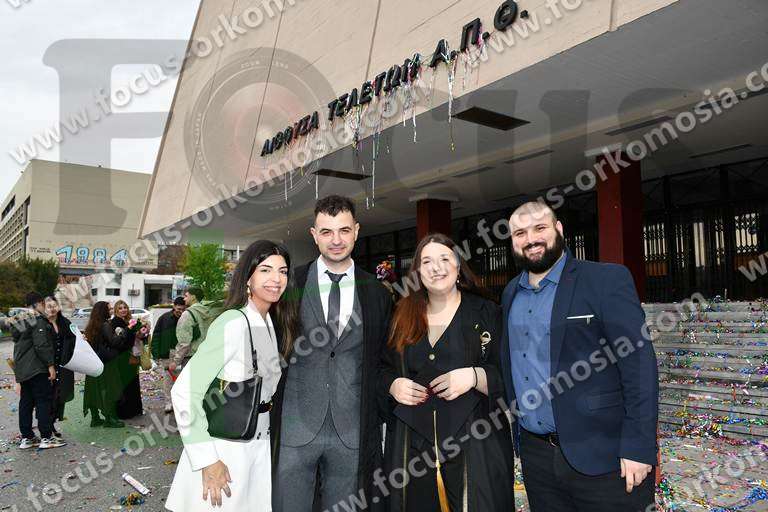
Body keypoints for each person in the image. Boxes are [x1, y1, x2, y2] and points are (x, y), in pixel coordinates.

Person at [499, 201, 658, 512]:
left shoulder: (605, 280)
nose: (531, 239)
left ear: (559, 229)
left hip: (605, 455)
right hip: (536, 457)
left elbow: (639, 366)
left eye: (539, 228)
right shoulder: (510, 293)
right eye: (520, 233)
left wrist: (638, 446)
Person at [272, 195, 392, 512]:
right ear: (314, 235)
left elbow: (383, 358)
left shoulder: (376, 293)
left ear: (356, 231)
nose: (336, 240)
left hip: (352, 429)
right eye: (326, 231)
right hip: (295, 425)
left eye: (344, 230)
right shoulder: (290, 285)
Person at [380, 234, 514, 511]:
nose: (436, 267)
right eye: (427, 261)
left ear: (458, 266)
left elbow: (511, 374)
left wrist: (475, 376)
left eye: (444, 258)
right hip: (413, 450)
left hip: (475, 447)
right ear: (418, 272)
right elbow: (380, 369)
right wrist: (393, 384)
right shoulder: (400, 316)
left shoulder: (487, 313)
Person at [166, 240, 299, 512]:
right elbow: (184, 391)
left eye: (283, 271)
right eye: (265, 270)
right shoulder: (233, 323)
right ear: (248, 278)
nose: (276, 278)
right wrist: (207, 460)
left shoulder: (269, 323)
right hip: (225, 453)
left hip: (256, 448)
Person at [10, 292, 65, 450]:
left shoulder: (21, 321)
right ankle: (46, 437)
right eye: (43, 304)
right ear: (39, 303)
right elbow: (41, 345)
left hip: (22, 369)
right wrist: (50, 365)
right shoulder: (37, 319)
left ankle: (27, 437)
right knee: (43, 401)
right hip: (36, 368)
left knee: (26, 402)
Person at [83, 301, 127, 428]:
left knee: (93, 390)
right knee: (109, 389)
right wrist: (122, 334)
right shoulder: (105, 325)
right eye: (109, 309)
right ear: (103, 311)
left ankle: (95, 418)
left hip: (93, 363)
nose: (111, 311)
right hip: (106, 363)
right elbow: (113, 342)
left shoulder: (90, 326)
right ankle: (110, 419)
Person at [42, 296, 76, 440]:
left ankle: (51, 424)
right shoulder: (42, 324)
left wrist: (81, 339)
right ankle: (47, 427)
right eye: (49, 306)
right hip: (47, 366)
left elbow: (74, 338)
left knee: (60, 397)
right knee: (49, 398)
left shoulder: (65, 322)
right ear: (44, 308)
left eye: (54, 305)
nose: (52, 309)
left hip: (63, 366)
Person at [170, 288, 223, 374]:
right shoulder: (209, 312)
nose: (184, 299)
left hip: (191, 358)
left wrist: (176, 361)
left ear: (193, 297)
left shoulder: (187, 314)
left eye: (186, 296)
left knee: (189, 382)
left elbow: (184, 342)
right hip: (206, 355)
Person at [151, 296, 186, 413]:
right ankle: (168, 403)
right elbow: (156, 335)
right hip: (167, 352)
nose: (180, 312)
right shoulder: (164, 318)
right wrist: (155, 354)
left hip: (183, 352)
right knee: (168, 379)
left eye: (183, 309)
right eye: (178, 309)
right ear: (174, 306)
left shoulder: (187, 318)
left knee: (181, 379)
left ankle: (179, 402)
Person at [110, 300, 144, 420]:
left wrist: (142, 332)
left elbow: (134, 337)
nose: (123, 310)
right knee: (125, 384)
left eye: (125, 307)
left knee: (133, 383)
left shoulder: (128, 321)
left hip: (131, 356)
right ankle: (125, 412)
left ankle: (134, 410)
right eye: (120, 308)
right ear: (116, 310)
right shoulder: (115, 322)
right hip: (122, 357)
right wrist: (132, 331)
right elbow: (122, 340)